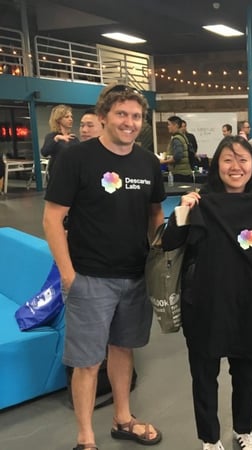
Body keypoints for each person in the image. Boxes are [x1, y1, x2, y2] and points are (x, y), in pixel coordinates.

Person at [42, 84, 165, 450]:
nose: (129, 123)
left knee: (124, 349)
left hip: (135, 275)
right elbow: (52, 218)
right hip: (90, 277)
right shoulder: (77, 159)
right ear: (105, 116)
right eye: (122, 115)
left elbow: (155, 213)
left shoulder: (146, 162)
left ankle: (123, 419)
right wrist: (68, 275)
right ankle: (85, 437)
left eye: (136, 116)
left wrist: (160, 259)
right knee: (87, 362)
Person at [161, 136, 252, 450]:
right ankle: (209, 439)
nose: (236, 167)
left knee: (246, 371)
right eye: (227, 160)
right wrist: (183, 211)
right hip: (206, 303)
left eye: (243, 160)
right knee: (204, 374)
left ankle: (244, 431)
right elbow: (169, 243)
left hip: (249, 303)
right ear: (217, 165)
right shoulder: (200, 201)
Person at [41, 104, 80, 177]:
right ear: (58, 119)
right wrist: (56, 139)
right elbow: (44, 152)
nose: (70, 119)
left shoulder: (74, 138)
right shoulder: (52, 136)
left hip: (73, 173)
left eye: (71, 117)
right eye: (67, 117)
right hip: (57, 174)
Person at [160, 115, 192, 181]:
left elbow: (178, 156)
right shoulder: (183, 136)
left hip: (179, 174)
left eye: (169, 124)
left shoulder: (176, 139)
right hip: (185, 172)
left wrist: (163, 162)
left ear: (176, 125)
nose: (168, 127)